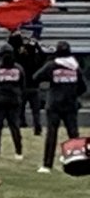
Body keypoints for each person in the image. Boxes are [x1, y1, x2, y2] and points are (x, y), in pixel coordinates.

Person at [35, 41, 85, 173]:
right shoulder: (75, 67)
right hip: (70, 105)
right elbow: (83, 87)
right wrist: (72, 93)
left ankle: (47, 165)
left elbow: (36, 77)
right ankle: (77, 163)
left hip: (54, 105)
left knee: (51, 134)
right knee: (74, 135)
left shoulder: (52, 65)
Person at [0, 45, 25, 160]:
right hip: (14, 101)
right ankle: (18, 152)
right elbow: (23, 84)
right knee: (15, 127)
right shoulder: (18, 68)